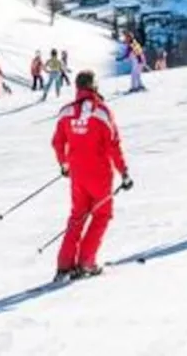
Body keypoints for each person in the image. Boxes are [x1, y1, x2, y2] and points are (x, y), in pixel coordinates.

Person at [50, 70, 131, 281]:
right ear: (94, 86)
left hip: (77, 174)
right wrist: (124, 172)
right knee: (101, 215)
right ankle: (86, 261)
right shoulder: (102, 112)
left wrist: (64, 164)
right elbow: (113, 145)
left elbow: (58, 141)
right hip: (100, 175)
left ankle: (65, 265)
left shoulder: (66, 112)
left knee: (77, 216)